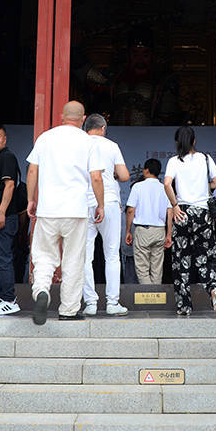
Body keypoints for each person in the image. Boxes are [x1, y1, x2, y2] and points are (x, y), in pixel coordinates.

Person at [26, 101, 106, 324]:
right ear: (83, 118)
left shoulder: (45, 138)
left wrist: (31, 199)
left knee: (44, 256)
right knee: (73, 260)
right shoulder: (88, 141)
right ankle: (69, 309)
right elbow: (96, 177)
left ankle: (41, 291)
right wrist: (100, 204)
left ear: (62, 116)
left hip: (48, 209)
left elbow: (32, 170)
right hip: (76, 210)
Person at [164, 125, 216, 316]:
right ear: (194, 141)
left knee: (181, 258)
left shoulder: (174, 161)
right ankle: (213, 289)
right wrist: (205, 187)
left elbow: (167, 183)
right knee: (207, 255)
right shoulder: (205, 158)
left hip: (182, 212)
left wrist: (175, 205)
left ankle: (184, 306)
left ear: (177, 142)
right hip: (203, 214)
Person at [82, 114, 130, 315]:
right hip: (108, 201)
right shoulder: (111, 146)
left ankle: (90, 303)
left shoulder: (80, 144)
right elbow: (125, 175)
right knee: (111, 255)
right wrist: (113, 174)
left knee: (85, 256)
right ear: (103, 128)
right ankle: (112, 303)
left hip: (83, 203)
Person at [0, 123, 22, 316]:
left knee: (2, 260)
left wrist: (1, 213)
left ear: (5, 139)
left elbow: (9, 186)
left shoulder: (7, 157)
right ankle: (2, 298)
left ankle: (8, 299)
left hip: (5, 217)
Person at [125, 158, 172, 284]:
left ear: (146, 170)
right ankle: (156, 294)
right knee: (157, 268)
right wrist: (169, 234)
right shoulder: (165, 188)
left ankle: (149, 295)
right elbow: (170, 212)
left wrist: (128, 230)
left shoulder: (137, 187)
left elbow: (130, 210)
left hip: (143, 230)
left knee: (142, 269)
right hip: (160, 230)